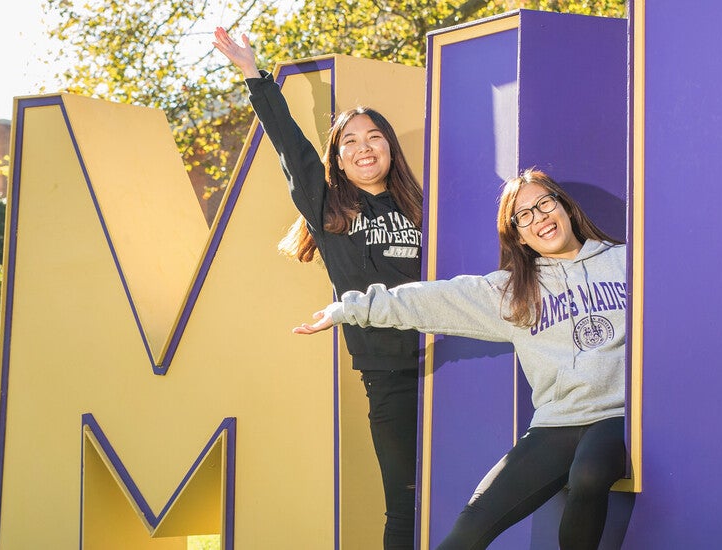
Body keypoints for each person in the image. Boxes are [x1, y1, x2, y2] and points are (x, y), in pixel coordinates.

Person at [293, 169, 629, 550]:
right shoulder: (512, 290)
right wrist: (347, 308)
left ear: (565, 207)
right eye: (525, 216)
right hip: (557, 425)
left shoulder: (625, 263)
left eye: (544, 204)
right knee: (470, 525)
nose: (540, 219)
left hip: (616, 417)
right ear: (517, 234)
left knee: (588, 475)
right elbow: (431, 299)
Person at [213, 28, 427, 549]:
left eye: (373, 136)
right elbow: (289, 142)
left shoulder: (425, 203)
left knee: (469, 493)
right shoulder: (328, 206)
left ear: (390, 147)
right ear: (339, 156)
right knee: (405, 504)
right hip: (391, 373)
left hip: (456, 359)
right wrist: (252, 73)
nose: (363, 147)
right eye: (349, 140)